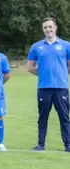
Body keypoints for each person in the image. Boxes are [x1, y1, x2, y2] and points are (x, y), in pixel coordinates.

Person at [27, 17, 70, 151]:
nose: (48, 29)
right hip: (44, 88)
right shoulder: (36, 46)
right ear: (43, 29)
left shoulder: (66, 45)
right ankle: (41, 145)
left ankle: (68, 145)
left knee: (64, 117)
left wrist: (60, 74)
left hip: (61, 88)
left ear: (55, 27)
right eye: (45, 27)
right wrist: (45, 74)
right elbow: (30, 67)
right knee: (43, 117)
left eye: (50, 27)